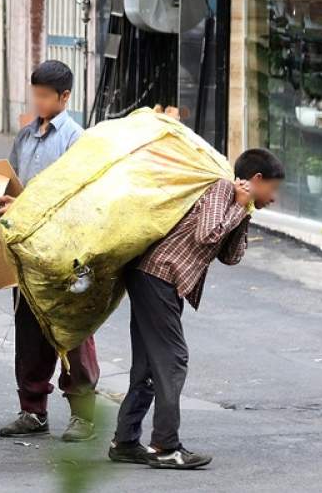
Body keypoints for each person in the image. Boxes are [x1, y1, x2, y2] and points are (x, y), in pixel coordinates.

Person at [109, 148, 285, 470]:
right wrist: (238, 205)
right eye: (272, 189)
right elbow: (207, 235)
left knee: (149, 364)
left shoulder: (237, 202)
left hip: (161, 280)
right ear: (256, 179)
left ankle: (125, 441)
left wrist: (243, 212)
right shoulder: (221, 188)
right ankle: (165, 446)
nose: (273, 199)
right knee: (173, 360)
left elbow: (230, 256)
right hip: (158, 274)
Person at [0, 60, 101, 442]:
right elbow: (18, 186)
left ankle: (84, 415)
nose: (37, 101)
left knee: (71, 331)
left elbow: (76, 196)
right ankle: (33, 410)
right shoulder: (25, 138)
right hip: (26, 250)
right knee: (29, 332)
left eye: (44, 96)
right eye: (34, 94)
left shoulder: (76, 139)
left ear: (65, 96)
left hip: (65, 252)